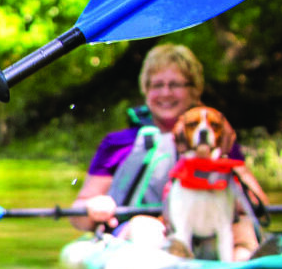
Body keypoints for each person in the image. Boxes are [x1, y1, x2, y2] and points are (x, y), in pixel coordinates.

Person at [70, 42, 267, 255]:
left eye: (175, 85)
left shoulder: (217, 141)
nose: (165, 93)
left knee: (244, 229)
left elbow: (258, 205)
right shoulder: (118, 143)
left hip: (208, 227)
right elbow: (78, 215)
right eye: (156, 85)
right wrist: (93, 207)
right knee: (145, 229)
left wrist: (233, 194)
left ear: (195, 91)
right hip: (145, 229)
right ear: (146, 91)